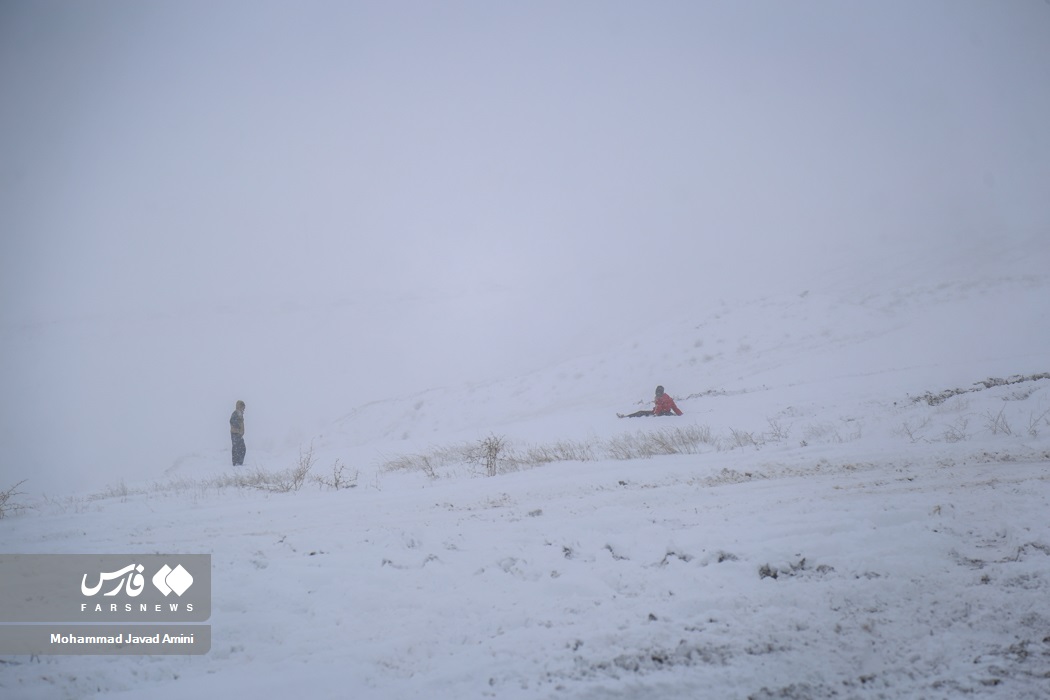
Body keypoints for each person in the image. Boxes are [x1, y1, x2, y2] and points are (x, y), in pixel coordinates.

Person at [618, 385, 683, 418]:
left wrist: (655, 415)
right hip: (667, 413)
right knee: (642, 412)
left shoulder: (660, 399)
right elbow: (675, 408)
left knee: (641, 412)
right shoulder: (669, 398)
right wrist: (681, 414)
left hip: (660, 413)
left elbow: (658, 408)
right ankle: (626, 417)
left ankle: (626, 417)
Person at [230, 400, 246, 465]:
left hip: (239, 434)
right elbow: (232, 421)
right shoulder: (235, 413)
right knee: (236, 448)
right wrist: (238, 427)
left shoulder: (240, 413)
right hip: (235, 433)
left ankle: (240, 463)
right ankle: (236, 463)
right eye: (243, 407)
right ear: (239, 406)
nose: (244, 409)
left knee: (242, 448)